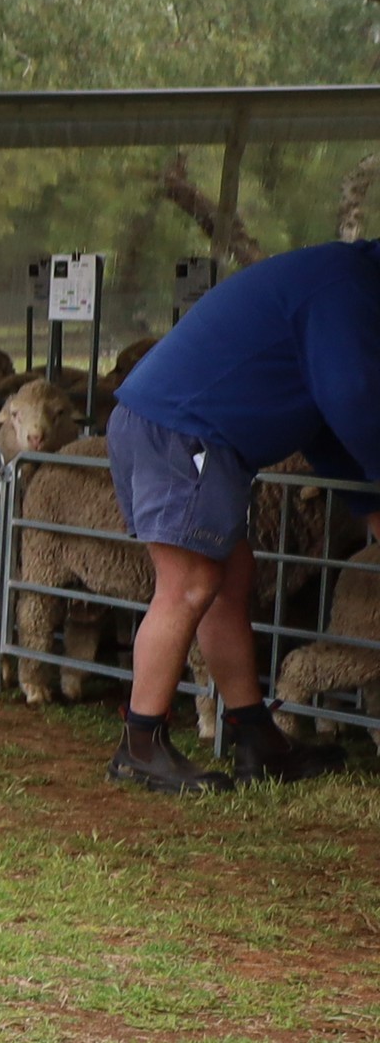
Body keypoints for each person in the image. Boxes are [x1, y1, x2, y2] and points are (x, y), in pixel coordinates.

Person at [100, 238, 380, 793]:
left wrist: (370, 506)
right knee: (189, 584)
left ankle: (258, 738)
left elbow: (323, 419)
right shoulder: (345, 286)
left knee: (228, 583)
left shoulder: (338, 282)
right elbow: (355, 396)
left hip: (173, 426)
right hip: (184, 431)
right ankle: (140, 746)